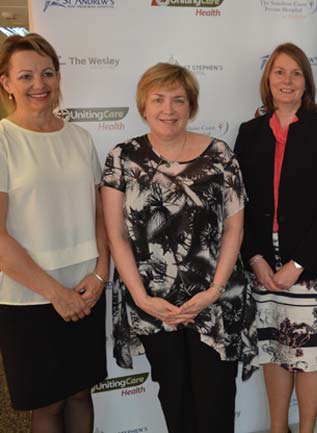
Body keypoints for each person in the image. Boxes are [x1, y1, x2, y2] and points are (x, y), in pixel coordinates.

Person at [101, 62, 257, 433]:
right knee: (174, 395)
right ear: (143, 105)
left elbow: (235, 226)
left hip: (216, 300)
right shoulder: (122, 158)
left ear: (191, 106)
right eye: (158, 99)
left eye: (178, 100)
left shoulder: (220, 154)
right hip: (154, 301)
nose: (167, 109)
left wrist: (214, 290)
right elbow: (116, 234)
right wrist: (141, 298)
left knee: (216, 398)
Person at [234, 42, 317, 433]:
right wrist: (256, 259)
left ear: (306, 83)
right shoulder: (249, 133)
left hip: (313, 265)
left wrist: (298, 265)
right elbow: (239, 206)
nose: (287, 80)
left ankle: (307, 429)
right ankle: (278, 428)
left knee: (311, 357)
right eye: (279, 72)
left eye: (296, 73)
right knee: (276, 352)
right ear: (268, 80)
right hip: (263, 267)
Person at [0, 33, 108, 433]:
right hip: (28, 298)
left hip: (85, 290)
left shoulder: (79, 138)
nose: (39, 84)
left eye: (47, 73)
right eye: (25, 76)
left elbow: (99, 214)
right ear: (6, 83)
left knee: (81, 394)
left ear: (59, 77)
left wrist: (100, 276)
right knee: (46, 405)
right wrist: (55, 293)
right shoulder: (3, 140)